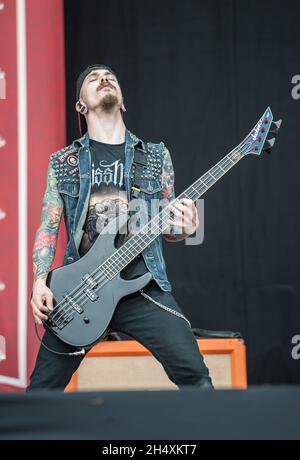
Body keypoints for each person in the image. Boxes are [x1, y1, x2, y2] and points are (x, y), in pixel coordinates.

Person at [27, 64, 213, 391]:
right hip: (79, 293)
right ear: (80, 106)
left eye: (110, 76)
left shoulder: (155, 156)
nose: (104, 78)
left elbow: (170, 227)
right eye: (93, 78)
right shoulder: (63, 161)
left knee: (195, 375)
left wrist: (185, 227)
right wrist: (40, 281)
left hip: (140, 287)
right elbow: (48, 224)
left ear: (123, 101)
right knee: (41, 390)